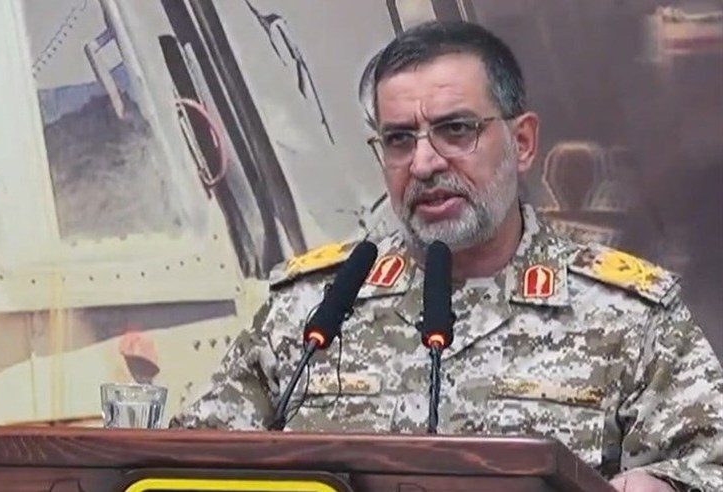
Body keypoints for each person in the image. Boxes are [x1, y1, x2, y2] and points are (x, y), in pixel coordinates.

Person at [171, 21, 723, 491]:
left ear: (523, 142)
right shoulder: (316, 307)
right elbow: (182, 461)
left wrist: (663, 485)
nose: (424, 163)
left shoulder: (627, 317)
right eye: (398, 139)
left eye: (455, 130)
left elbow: (709, 466)